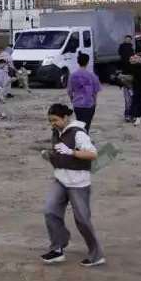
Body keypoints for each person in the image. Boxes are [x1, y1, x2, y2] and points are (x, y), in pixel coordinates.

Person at [41, 103, 105, 267]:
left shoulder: (79, 133)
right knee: (50, 211)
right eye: (50, 121)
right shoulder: (56, 132)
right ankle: (57, 248)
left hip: (78, 183)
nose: (52, 123)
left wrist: (72, 152)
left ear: (65, 117)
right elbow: (59, 153)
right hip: (61, 179)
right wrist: (49, 155)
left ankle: (96, 255)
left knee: (82, 220)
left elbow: (93, 154)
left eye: (55, 120)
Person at [66, 52, 101, 131]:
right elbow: (95, 91)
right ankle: (84, 140)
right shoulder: (92, 75)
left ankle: (80, 139)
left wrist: (72, 100)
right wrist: (95, 101)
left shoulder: (72, 75)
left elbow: (69, 91)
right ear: (87, 62)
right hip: (89, 104)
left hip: (77, 103)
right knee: (86, 125)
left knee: (80, 124)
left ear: (78, 62)